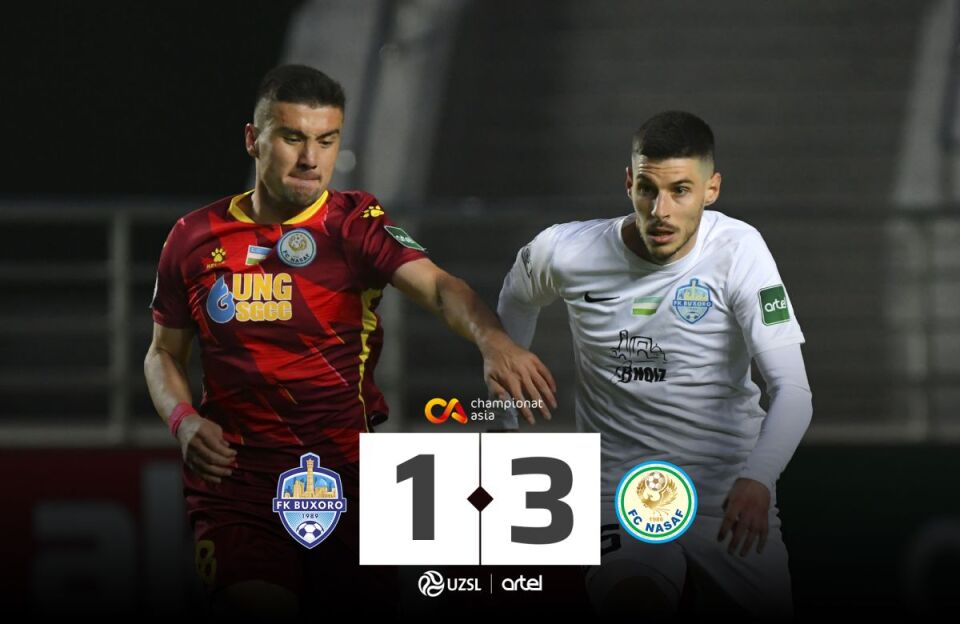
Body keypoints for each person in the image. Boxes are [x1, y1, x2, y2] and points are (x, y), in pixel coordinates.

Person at [143, 64, 556, 615]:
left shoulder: (355, 223)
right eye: (293, 138)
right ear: (253, 139)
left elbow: (439, 288)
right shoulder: (194, 237)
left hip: (349, 480)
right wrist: (183, 420)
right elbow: (163, 353)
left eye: (327, 140)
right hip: (238, 485)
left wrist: (493, 340)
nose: (311, 159)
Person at [496, 111, 812, 616]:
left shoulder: (740, 251)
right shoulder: (566, 251)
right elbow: (516, 297)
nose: (660, 211)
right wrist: (506, 399)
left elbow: (793, 391)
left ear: (711, 190)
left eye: (680, 191)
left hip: (727, 497)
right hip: (620, 494)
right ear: (629, 183)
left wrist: (758, 479)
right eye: (648, 189)